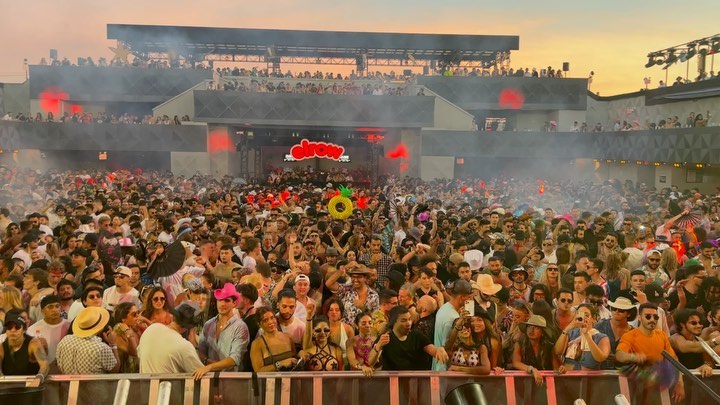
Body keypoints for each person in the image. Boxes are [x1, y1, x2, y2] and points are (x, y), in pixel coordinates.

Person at [616, 303, 685, 403]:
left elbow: (674, 360)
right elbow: (619, 355)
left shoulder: (661, 335)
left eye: (655, 317)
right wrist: (633, 357)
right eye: (648, 316)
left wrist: (680, 382)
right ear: (639, 318)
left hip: (657, 390)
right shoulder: (629, 336)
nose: (652, 319)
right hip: (636, 390)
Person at [368, 306, 448, 370]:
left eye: (409, 319)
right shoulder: (385, 338)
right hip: (393, 381)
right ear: (394, 322)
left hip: (415, 381)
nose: (408, 323)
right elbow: (370, 362)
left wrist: (439, 350)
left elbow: (432, 349)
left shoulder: (417, 336)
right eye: (403, 321)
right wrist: (378, 346)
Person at [196, 283, 250, 376]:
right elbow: (201, 350)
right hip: (209, 377)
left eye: (227, 300)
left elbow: (235, 358)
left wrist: (209, 366)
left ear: (234, 303)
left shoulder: (240, 327)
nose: (222, 304)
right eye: (220, 300)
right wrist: (206, 361)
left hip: (229, 378)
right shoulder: (208, 324)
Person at [137, 302, 205, 375]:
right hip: (166, 382)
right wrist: (194, 344)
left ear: (172, 317)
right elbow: (200, 372)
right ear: (188, 328)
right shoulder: (184, 346)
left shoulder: (151, 328)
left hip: (144, 380)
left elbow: (139, 352)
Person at [56, 306, 120, 374]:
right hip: (94, 381)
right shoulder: (101, 348)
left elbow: (59, 365)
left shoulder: (65, 340)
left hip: (67, 380)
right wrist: (113, 344)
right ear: (101, 327)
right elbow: (115, 369)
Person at [433, 279, 474, 370]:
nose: (471, 301)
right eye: (469, 298)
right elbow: (447, 347)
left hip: (438, 365)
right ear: (461, 297)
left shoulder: (444, 307)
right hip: (445, 368)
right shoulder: (453, 317)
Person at [554, 303, 610, 370]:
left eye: (586, 315)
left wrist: (586, 334)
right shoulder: (571, 333)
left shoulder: (601, 337)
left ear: (593, 318)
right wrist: (567, 328)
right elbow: (558, 351)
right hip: (569, 375)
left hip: (590, 376)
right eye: (580, 314)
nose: (583, 317)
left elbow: (600, 358)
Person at [512, 314, 563, 386]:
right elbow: (516, 363)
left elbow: (556, 368)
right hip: (524, 383)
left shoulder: (549, 346)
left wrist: (561, 369)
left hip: (545, 383)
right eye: (529, 327)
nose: (531, 330)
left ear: (542, 332)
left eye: (536, 328)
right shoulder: (519, 343)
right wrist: (532, 369)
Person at [0, 309, 50, 382]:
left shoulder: (33, 344)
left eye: (17, 327)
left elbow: (44, 364)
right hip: (9, 387)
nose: (13, 330)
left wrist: (39, 377)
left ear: (23, 330)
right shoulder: (1, 347)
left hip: (31, 385)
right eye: (9, 327)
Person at [444, 304, 493, 374]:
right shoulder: (454, 346)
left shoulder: (481, 347)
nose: (464, 328)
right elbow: (448, 345)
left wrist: (459, 369)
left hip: (474, 381)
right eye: (460, 327)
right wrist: (458, 325)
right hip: (453, 380)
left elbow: (486, 369)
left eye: (466, 325)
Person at [250, 306, 298, 371]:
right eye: (265, 320)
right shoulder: (257, 344)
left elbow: (295, 359)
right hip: (270, 378)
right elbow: (258, 371)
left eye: (272, 318)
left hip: (290, 376)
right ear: (259, 324)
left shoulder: (287, 337)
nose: (270, 322)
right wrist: (280, 364)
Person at [669, 309, 715, 377]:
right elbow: (685, 347)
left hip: (697, 380)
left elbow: (709, 361)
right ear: (682, 325)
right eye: (693, 323)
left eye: (700, 323)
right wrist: (715, 341)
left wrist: (706, 365)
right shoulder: (675, 338)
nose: (699, 326)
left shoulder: (699, 340)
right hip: (677, 379)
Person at [27, 295, 70, 366]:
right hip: (43, 368)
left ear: (61, 308)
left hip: (65, 367)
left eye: (57, 306)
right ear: (43, 311)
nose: (54, 310)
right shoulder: (32, 330)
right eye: (50, 307)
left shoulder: (69, 326)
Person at [593, 297, 636, 368]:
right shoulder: (601, 325)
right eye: (614, 309)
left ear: (628, 314)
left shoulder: (633, 333)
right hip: (600, 368)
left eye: (621, 310)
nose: (616, 312)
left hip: (623, 370)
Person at [112, 302, 141, 373]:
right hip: (125, 373)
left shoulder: (133, 327)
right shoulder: (117, 331)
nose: (137, 316)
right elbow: (134, 353)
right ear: (123, 318)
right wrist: (128, 334)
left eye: (138, 313)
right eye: (134, 314)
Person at [347, 312, 375, 376]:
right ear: (357, 325)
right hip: (356, 375)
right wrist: (361, 367)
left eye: (370, 323)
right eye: (363, 323)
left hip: (373, 375)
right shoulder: (351, 341)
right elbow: (352, 360)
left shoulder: (376, 340)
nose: (368, 326)